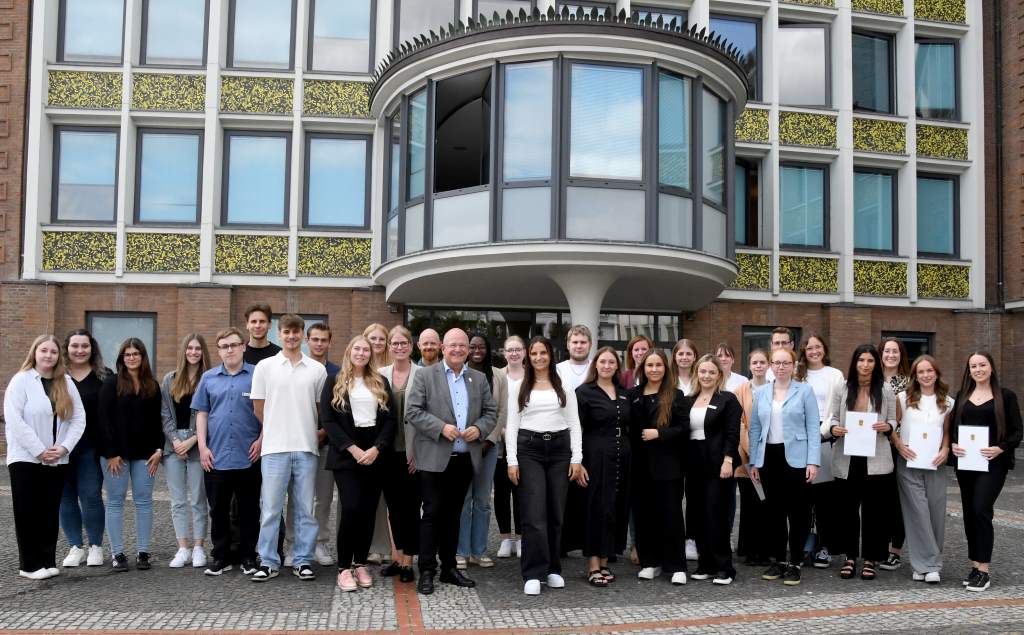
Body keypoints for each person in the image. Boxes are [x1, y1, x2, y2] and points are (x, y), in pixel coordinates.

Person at [405, 328, 497, 595]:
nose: (457, 350)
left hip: (464, 459)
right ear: (443, 348)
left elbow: (491, 412)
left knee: (453, 516)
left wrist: (479, 429)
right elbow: (413, 411)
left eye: (462, 346)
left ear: (468, 350)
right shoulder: (425, 375)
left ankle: (448, 568)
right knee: (432, 513)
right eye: (452, 345)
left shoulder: (478, 379)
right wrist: (440, 428)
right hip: (433, 458)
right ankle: (426, 570)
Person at [250, 314, 328, 582]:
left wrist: (312, 431)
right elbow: (258, 407)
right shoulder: (265, 367)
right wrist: (275, 426)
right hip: (274, 448)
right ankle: (269, 561)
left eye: (296, 332)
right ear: (279, 334)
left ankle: (303, 560)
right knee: (271, 508)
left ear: (302, 335)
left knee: (306, 508)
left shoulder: (317, 370)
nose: (291, 336)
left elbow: (321, 410)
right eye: (286, 332)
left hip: (307, 448)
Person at [505, 336, 584, 595]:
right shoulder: (519, 386)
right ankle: (533, 572)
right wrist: (512, 461)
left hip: (560, 450)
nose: (539, 358)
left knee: (556, 513)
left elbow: (574, 423)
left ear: (551, 354)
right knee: (534, 513)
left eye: (543, 353)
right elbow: (512, 426)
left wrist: (576, 458)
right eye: (534, 353)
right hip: (530, 450)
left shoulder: (564, 385)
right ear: (529, 356)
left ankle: (552, 569)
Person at [5, 335, 86, 579]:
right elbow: (14, 420)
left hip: (57, 458)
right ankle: (29, 565)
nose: (48, 355)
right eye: (44, 351)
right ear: (34, 353)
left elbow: (79, 419)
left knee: (49, 510)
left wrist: (63, 448)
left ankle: (47, 560)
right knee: (28, 510)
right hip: (26, 458)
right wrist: (39, 450)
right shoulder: (21, 381)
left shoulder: (67, 383)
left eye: (53, 352)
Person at [320, 336, 396, 592]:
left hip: (375, 453)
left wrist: (377, 448)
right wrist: (352, 449)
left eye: (366, 349)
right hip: (346, 454)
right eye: (357, 348)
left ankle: (361, 563)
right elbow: (327, 420)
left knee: (368, 511)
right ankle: (344, 568)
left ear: (370, 354)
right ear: (349, 352)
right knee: (351, 509)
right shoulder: (335, 381)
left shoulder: (380, 381)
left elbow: (390, 421)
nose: (361, 353)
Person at [948, 351, 1022, 592]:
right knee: (969, 514)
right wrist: (954, 445)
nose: (978, 369)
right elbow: (954, 430)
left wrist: (1000, 448)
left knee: (981, 509)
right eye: (973, 366)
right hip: (967, 463)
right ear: (968, 370)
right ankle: (974, 565)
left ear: (991, 367)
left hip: (993, 464)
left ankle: (984, 570)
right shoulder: (962, 396)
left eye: (982, 365)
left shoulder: (1005, 396)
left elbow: (1016, 432)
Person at [194, 327, 263, 576]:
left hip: (249, 456)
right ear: (219, 350)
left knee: (249, 510)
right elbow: (202, 413)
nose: (230, 350)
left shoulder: (258, 375)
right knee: (218, 510)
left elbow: (270, 411)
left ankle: (248, 557)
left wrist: (262, 440)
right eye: (224, 346)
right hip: (216, 456)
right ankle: (221, 557)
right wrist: (202, 447)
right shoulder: (209, 378)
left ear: (243, 346)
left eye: (234, 345)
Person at [748, 347, 819, 586]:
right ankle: (779, 560)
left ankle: (795, 562)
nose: (780, 367)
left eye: (785, 363)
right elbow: (755, 428)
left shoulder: (805, 391)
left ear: (794, 365)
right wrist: (755, 461)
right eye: (776, 363)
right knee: (774, 514)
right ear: (770, 365)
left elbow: (813, 429)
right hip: (769, 457)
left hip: (797, 459)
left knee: (798, 513)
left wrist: (813, 461)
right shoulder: (761, 393)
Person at [826, 344, 897, 581]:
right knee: (847, 510)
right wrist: (834, 428)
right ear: (854, 363)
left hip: (876, 458)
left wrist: (888, 427)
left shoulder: (885, 388)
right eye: (861, 360)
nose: (865, 365)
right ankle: (849, 557)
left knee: (875, 511)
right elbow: (831, 419)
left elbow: (893, 420)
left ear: (876, 364)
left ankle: (871, 558)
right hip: (847, 457)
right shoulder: (842, 387)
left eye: (870, 361)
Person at [98, 338, 164, 572]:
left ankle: (143, 552)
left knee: (144, 501)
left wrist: (159, 450)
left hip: (146, 454)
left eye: (136, 353)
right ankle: (118, 554)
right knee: (115, 501)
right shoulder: (111, 383)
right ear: (122, 358)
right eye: (127, 354)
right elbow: (103, 420)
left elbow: (158, 421)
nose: (132, 357)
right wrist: (111, 453)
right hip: (116, 456)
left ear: (143, 357)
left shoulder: (152, 386)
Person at [890, 355, 952, 584]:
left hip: (935, 464)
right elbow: (892, 426)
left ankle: (925, 564)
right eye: (921, 372)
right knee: (917, 513)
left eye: (929, 371)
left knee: (936, 514)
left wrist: (945, 449)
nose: (926, 375)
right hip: (909, 463)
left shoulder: (947, 401)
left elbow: (946, 432)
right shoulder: (903, 398)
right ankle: (928, 565)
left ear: (936, 373)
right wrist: (899, 445)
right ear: (915, 376)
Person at [630, 350, 689, 585]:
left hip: (668, 466)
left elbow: (684, 428)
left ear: (666, 368)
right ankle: (650, 562)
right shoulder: (633, 395)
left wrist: (660, 433)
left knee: (671, 515)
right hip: (640, 466)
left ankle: (676, 566)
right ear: (642, 369)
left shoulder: (676, 395)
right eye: (649, 365)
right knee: (644, 516)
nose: (654, 369)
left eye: (658, 365)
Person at [284, 322, 339, 568]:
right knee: (298, 498)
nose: (318, 343)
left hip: (327, 443)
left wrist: (324, 431)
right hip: (300, 443)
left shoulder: (337, 372)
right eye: (314, 339)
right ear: (307, 340)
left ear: (330, 342)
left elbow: (339, 411)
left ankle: (319, 542)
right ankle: (294, 544)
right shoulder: (297, 367)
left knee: (324, 497)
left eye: (323, 340)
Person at [576, 347, 631, 587]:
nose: (607, 366)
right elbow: (576, 429)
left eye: (612, 362)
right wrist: (578, 462)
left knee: (615, 508)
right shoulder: (584, 392)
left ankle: (606, 560)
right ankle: (593, 564)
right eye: (603, 362)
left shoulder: (623, 393)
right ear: (595, 365)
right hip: (595, 456)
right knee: (596, 509)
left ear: (617, 367)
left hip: (622, 456)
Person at [685, 354, 742, 585]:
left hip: (718, 464)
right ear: (696, 373)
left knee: (715, 515)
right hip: (694, 464)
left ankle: (725, 568)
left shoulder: (728, 399)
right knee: (697, 515)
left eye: (711, 372)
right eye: (702, 371)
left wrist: (728, 460)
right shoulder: (689, 399)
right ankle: (705, 563)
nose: (706, 376)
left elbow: (732, 433)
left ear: (719, 375)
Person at [59, 329, 110, 568]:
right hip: (60, 448)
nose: (80, 350)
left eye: (85, 346)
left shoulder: (104, 376)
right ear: (66, 348)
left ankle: (96, 547)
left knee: (90, 496)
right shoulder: (55, 376)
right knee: (65, 497)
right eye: (75, 346)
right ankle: (75, 546)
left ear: (92, 349)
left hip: (91, 448)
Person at [794, 334, 845, 569]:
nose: (814, 351)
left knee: (826, 499)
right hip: (799, 441)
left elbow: (836, 409)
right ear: (804, 351)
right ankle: (804, 545)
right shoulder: (797, 374)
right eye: (809, 348)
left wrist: (820, 433)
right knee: (802, 498)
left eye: (818, 347)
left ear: (824, 349)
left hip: (825, 441)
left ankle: (825, 546)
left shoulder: (835, 375)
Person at [160, 334, 211, 568]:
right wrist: (174, 440)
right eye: (189, 348)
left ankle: (199, 547)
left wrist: (191, 441)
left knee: (199, 499)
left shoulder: (209, 379)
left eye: (198, 348)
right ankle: (183, 548)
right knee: (178, 501)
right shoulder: (170, 379)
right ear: (184, 351)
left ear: (203, 352)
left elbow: (210, 414)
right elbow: (165, 414)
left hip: (197, 444)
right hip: (173, 447)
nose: (193, 352)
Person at [457, 334, 507, 570]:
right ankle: (461, 551)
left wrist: (489, 440)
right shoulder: (459, 372)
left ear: (488, 350)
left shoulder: (499, 376)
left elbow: (501, 412)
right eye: (472, 346)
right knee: (464, 499)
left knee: (483, 500)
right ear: (467, 350)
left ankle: (479, 550)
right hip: (464, 446)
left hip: (489, 446)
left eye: (481, 346)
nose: (477, 350)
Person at [378, 325, 421, 582]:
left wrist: (418, 452)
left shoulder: (423, 374)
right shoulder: (380, 374)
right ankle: (397, 557)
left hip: (413, 453)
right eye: (394, 343)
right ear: (389, 347)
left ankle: (408, 561)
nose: (399, 347)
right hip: (387, 453)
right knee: (393, 509)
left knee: (411, 508)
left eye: (403, 343)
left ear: (410, 346)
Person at [732, 349, 769, 566]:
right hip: (746, 456)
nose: (758, 366)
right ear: (749, 365)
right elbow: (740, 423)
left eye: (762, 362)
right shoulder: (741, 390)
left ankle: (766, 549)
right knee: (749, 505)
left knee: (766, 504)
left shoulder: (775, 389)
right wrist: (751, 454)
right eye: (755, 362)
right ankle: (750, 550)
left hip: (771, 456)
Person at [879, 337, 911, 571]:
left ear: (901, 355)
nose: (891, 355)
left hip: (899, 446)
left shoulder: (909, 383)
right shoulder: (871, 379)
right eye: (887, 351)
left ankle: (895, 551)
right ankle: (878, 548)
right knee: (879, 500)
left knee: (897, 501)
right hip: (872, 446)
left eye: (895, 351)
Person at [494, 335, 525, 558]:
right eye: (510, 350)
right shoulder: (497, 376)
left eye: (518, 349)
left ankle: (522, 538)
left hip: (525, 442)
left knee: (521, 492)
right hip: (500, 442)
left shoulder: (531, 376)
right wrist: (503, 432)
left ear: (524, 352)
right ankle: (505, 538)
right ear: (504, 353)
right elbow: (492, 408)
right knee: (502, 492)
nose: (514, 353)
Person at [555, 324, 592, 391]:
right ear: (568, 345)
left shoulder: (597, 368)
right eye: (575, 342)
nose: (579, 346)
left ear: (590, 345)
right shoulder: (557, 370)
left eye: (583, 342)